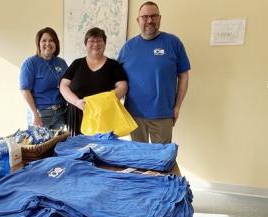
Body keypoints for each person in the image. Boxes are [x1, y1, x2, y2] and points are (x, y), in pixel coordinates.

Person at [118, 1, 190, 144]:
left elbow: (184, 76)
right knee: (139, 159)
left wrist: (177, 107)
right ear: (138, 20)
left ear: (160, 18)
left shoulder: (173, 43)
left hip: (163, 114)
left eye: (154, 16)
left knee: (161, 160)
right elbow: (117, 79)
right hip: (134, 115)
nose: (149, 20)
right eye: (145, 17)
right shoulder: (128, 47)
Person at [60, 27, 128, 136]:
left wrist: (102, 103)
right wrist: (77, 102)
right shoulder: (77, 64)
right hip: (78, 115)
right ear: (85, 44)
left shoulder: (113, 65)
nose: (95, 44)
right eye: (91, 41)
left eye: (99, 40)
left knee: (102, 150)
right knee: (77, 150)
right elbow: (63, 86)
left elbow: (123, 87)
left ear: (104, 44)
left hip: (104, 117)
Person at [19, 27, 68, 129]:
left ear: (56, 44)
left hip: (60, 113)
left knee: (58, 144)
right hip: (41, 114)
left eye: (51, 40)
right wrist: (35, 114)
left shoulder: (61, 63)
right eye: (44, 41)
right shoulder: (31, 63)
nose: (48, 44)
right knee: (41, 144)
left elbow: (68, 85)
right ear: (39, 44)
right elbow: (25, 91)